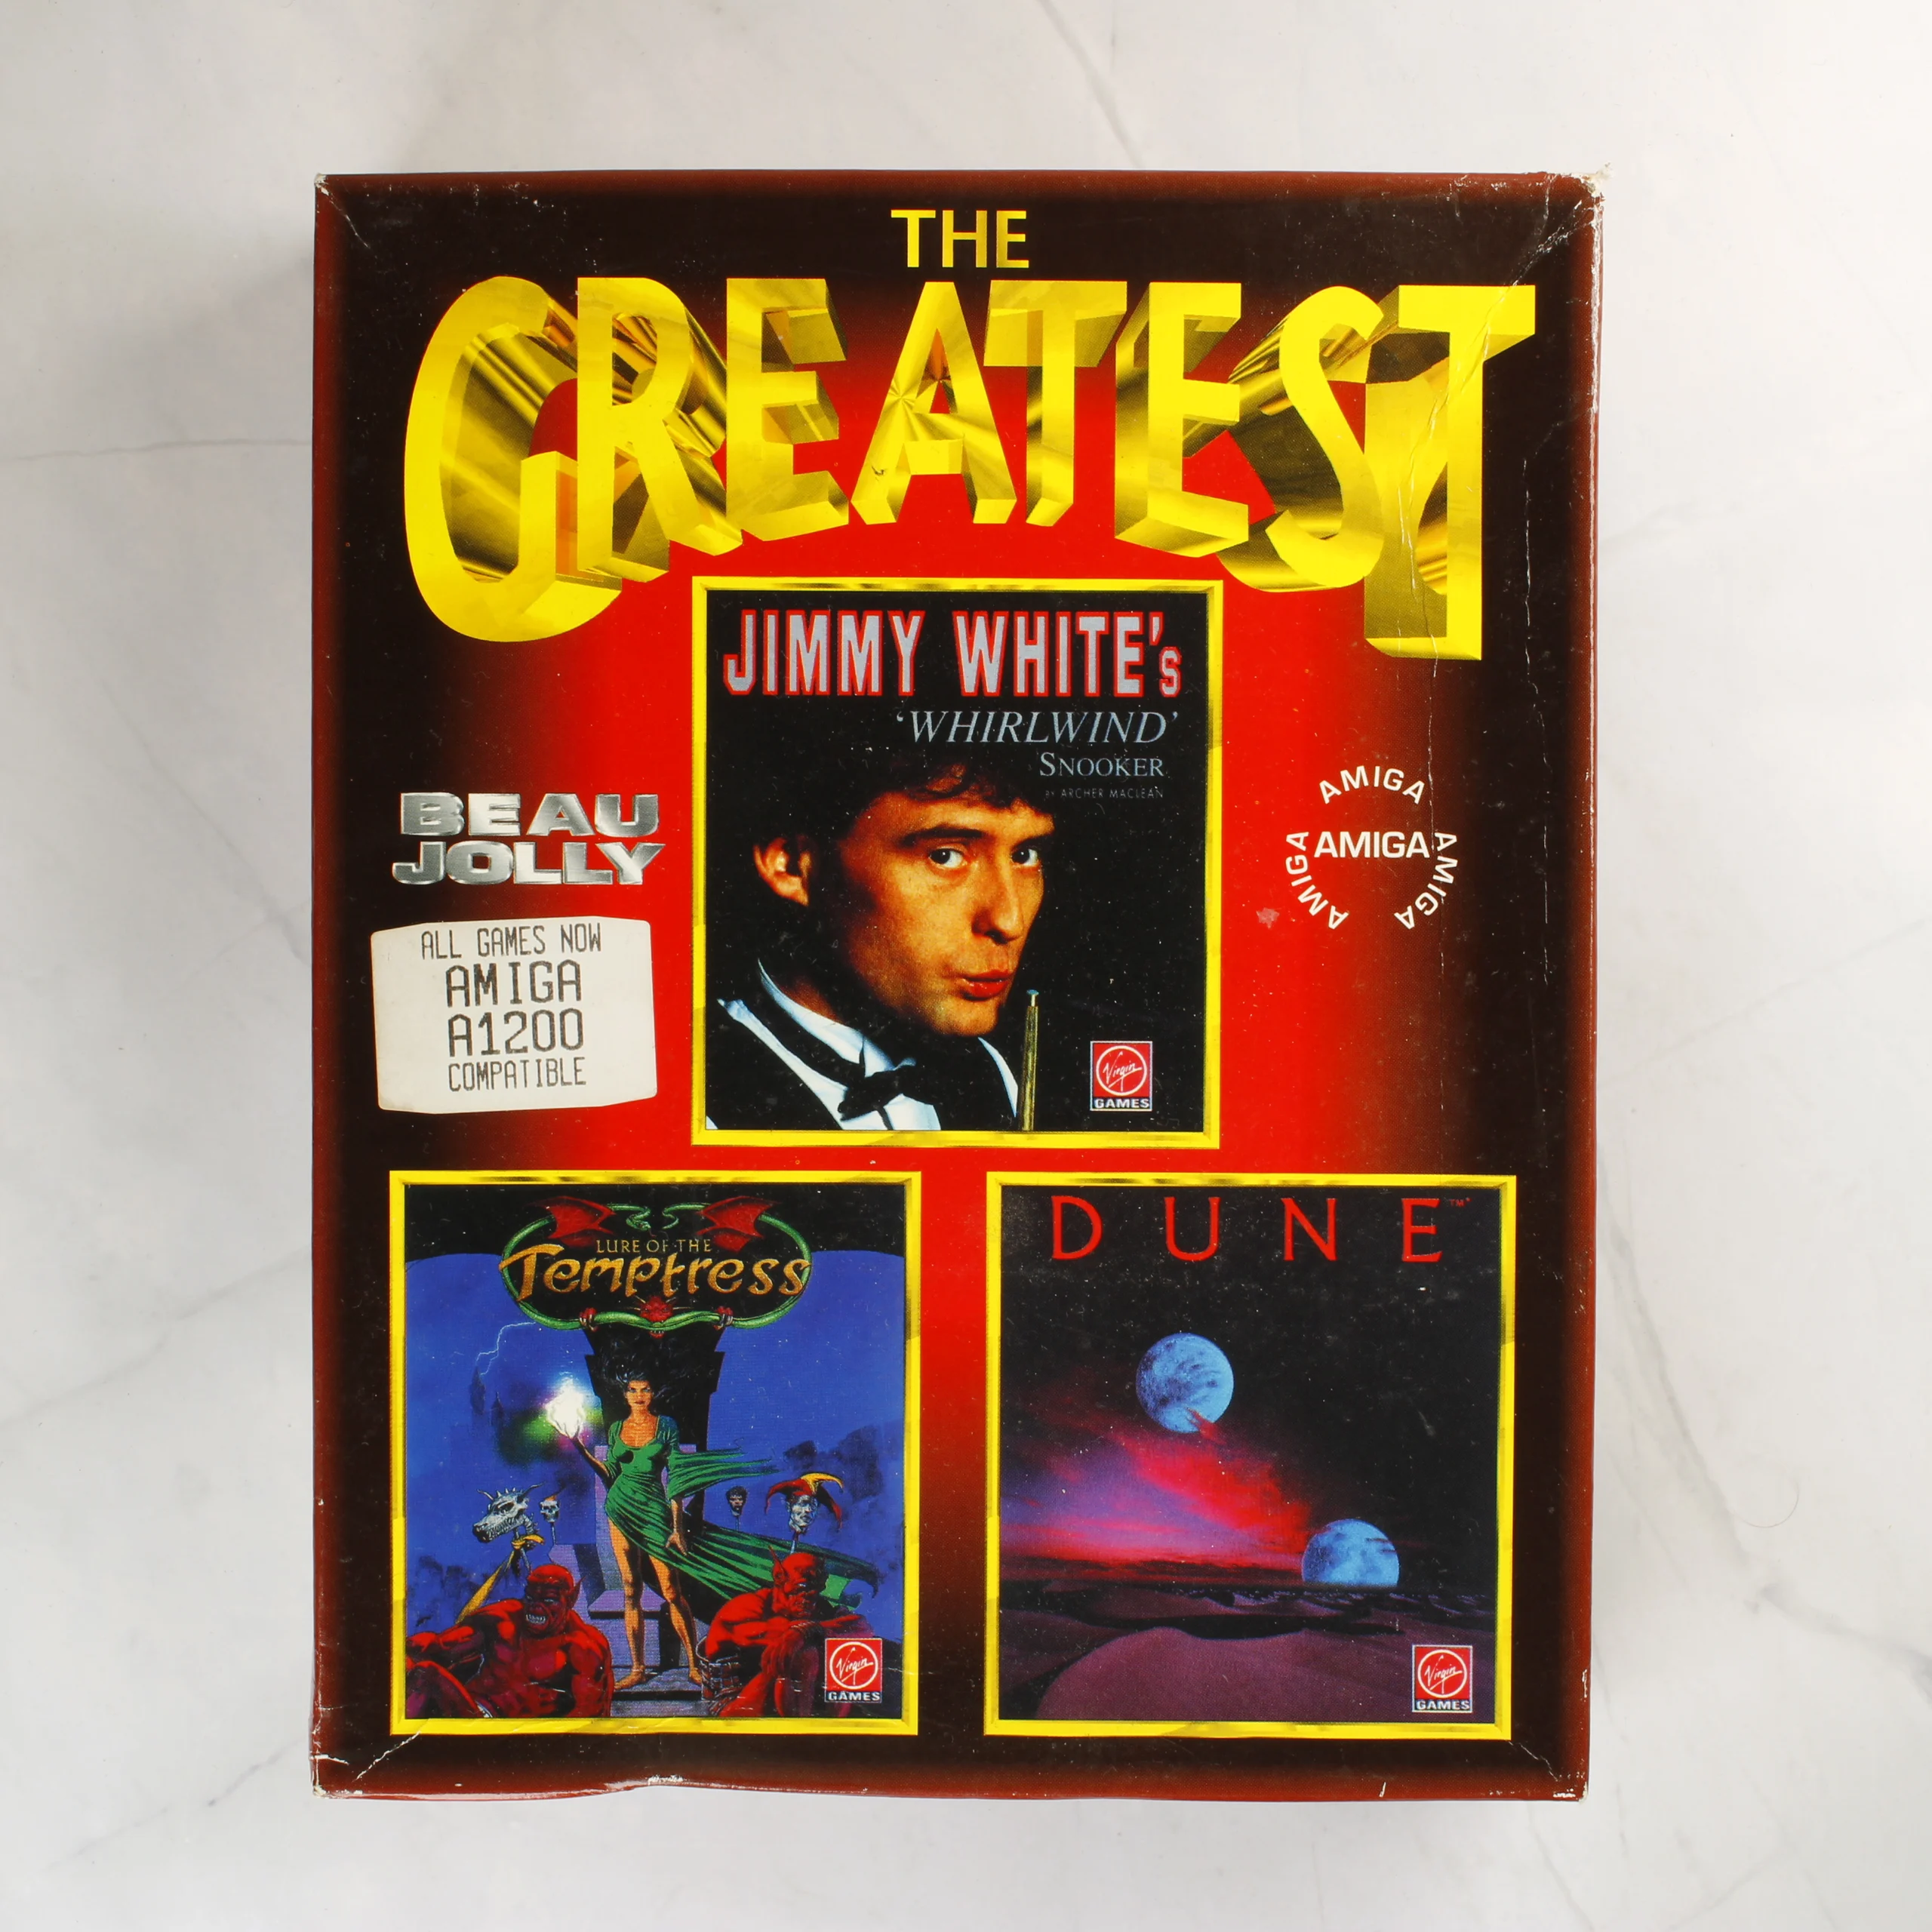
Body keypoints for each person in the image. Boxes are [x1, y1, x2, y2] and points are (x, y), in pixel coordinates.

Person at [707, 745, 1055, 1132]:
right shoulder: (696, 1098)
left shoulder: (991, 1070)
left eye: (1025, 855)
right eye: (945, 856)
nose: (1009, 921)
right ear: (793, 866)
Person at [555, 1373, 880, 1690]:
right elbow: (610, 1473)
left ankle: (694, 1667)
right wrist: (578, 1444)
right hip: (618, 1509)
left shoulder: (665, 1426)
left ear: (653, 1394)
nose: (639, 1396)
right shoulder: (616, 1429)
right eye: (633, 1390)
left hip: (654, 1512)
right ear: (625, 1395)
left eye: (645, 1389)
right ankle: (638, 1668)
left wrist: (677, 1528)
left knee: (671, 1591)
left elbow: (678, 1475)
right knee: (630, 1590)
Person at [405, 1560, 613, 1718]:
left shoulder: (585, 1648)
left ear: (571, 1599)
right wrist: (405, 1648)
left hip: (512, 1740)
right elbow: (441, 1647)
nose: (535, 1607)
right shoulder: (503, 1619)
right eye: (531, 1598)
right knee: (417, 1669)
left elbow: (590, 1717)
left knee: (426, 1673)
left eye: (549, 1600)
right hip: (468, 1711)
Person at [700, 1551, 877, 1717]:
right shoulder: (748, 1606)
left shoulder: (818, 1607)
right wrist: (804, 1631)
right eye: (800, 1589)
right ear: (780, 1579)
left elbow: (862, 1627)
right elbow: (770, 1634)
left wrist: (808, 1630)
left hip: (797, 1701)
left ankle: (835, 1725)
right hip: (734, 1703)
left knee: (849, 1650)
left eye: (815, 1589)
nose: (808, 1599)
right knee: (803, 1654)